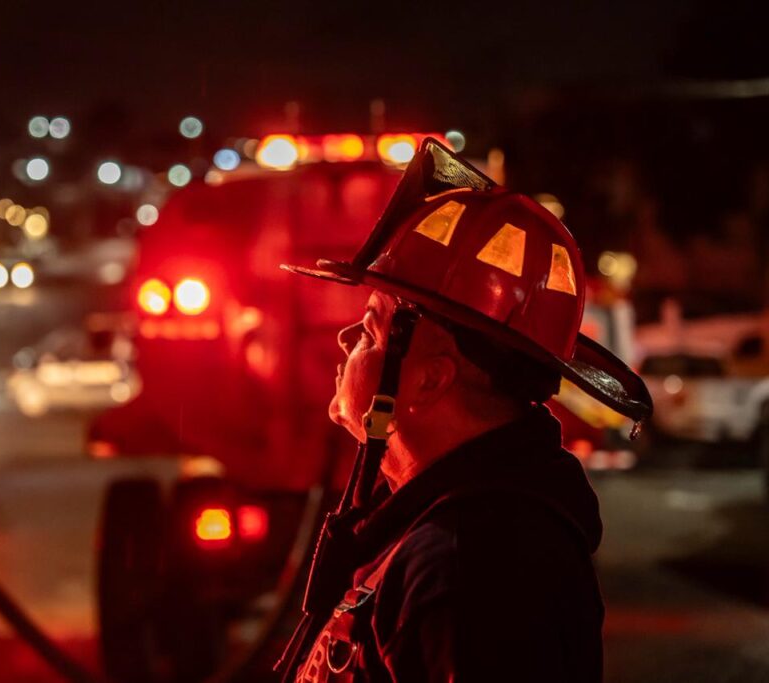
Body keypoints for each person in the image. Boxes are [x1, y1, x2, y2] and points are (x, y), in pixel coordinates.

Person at [277, 140, 653, 682]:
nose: (344, 338)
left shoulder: (475, 568)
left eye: (370, 328)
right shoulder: (450, 533)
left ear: (432, 377)